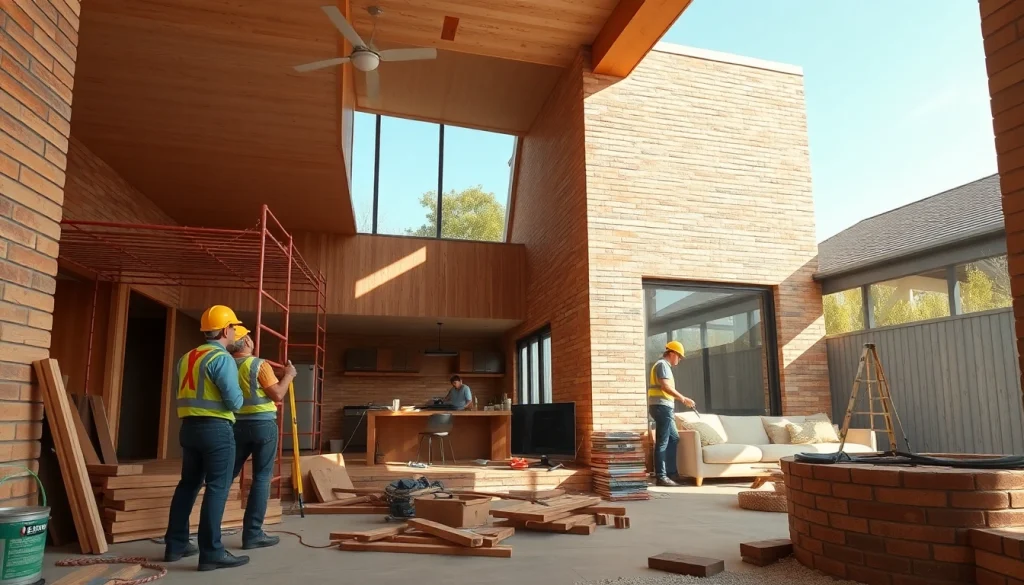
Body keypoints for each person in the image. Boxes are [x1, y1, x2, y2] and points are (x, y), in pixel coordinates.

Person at [164, 305, 248, 571]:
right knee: (217, 488)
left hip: (188, 428)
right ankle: (211, 552)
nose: (235, 331)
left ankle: (175, 545)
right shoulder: (221, 359)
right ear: (226, 330)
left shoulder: (187, 357)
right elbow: (234, 401)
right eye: (234, 327)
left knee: (187, 485)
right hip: (216, 430)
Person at [228, 326, 297, 550]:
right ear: (247, 341)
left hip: (236, 425)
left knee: (226, 478)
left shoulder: (225, 363)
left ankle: (208, 533)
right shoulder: (258, 364)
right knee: (261, 478)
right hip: (262, 426)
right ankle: (252, 534)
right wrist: (288, 375)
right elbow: (277, 393)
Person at [648, 341, 696, 487]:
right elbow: (665, 387)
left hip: (664, 407)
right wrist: (683, 398)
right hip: (662, 407)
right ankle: (661, 476)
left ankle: (672, 473)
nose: (679, 359)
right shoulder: (662, 365)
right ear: (672, 353)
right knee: (662, 442)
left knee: (674, 438)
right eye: (679, 356)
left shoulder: (663, 365)